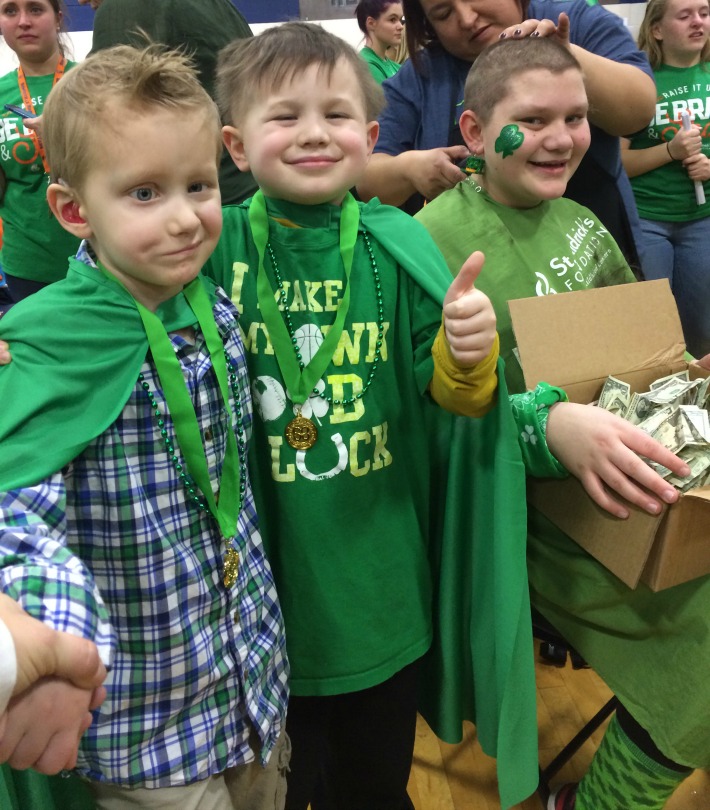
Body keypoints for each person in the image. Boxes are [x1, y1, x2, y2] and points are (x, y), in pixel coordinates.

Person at [210, 21, 538, 810]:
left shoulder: (395, 244)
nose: (313, 133)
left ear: (370, 134)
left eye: (335, 115)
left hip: (382, 598)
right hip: (257, 612)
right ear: (235, 143)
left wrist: (468, 353)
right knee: (283, 792)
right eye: (284, 116)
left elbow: (458, 405)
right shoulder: (211, 246)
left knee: (374, 788)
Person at [416, 35, 706, 810]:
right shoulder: (429, 243)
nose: (560, 138)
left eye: (576, 117)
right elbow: (429, 419)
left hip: (629, 481)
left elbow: (646, 358)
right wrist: (549, 429)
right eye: (533, 119)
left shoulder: (579, 217)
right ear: (475, 134)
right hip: (528, 518)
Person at [0, 43, 289, 809]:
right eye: (143, 193)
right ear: (72, 211)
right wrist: (57, 656)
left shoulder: (210, 301)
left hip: (248, 678)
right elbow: (16, 517)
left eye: (198, 185)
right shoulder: (52, 342)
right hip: (145, 724)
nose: (186, 217)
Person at [357, 0, 656, 271]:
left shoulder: (576, 21)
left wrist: (563, 56)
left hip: (590, 258)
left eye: (574, 118)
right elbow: (367, 177)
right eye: (443, 13)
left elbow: (639, 110)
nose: (466, 18)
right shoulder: (421, 78)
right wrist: (409, 169)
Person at [78, 0, 259, 205]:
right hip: (246, 198)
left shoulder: (125, 6)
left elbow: (104, 118)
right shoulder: (219, 6)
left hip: (201, 204)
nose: (81, 1)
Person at [621, 0, 710, 358]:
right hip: (647, 222)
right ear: (657, 29)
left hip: (702, 222)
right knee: (653, 327)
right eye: (685, 15)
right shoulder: (640, 82)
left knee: (700, 327)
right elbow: (619, 164)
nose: (698, 22)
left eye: (704, 12)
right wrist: (669, 152)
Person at [0, 0, 80, 304]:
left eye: (35, 9)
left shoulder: (92, 82)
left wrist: (65, 136)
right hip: (26, 264)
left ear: (57, 18)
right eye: (10, 11)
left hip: (97, 256)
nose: (23, 21)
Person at [355, 0, 405, 83]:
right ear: (371, 23)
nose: (401, 26)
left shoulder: (396, 67)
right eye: (392, 19)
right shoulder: (366, 65)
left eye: (400, 19)